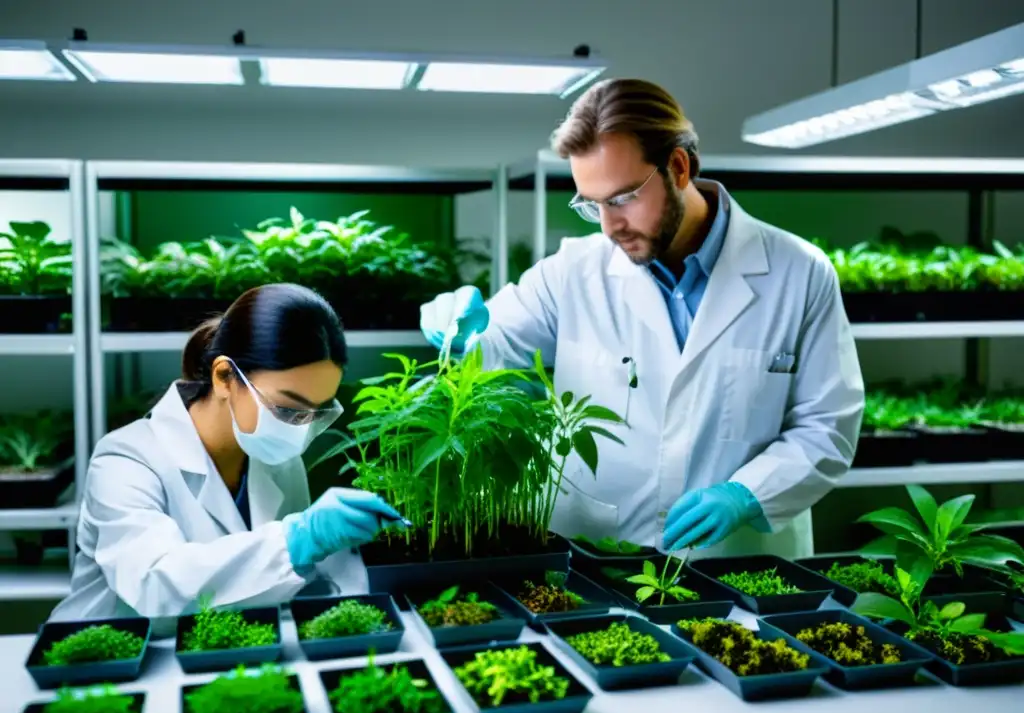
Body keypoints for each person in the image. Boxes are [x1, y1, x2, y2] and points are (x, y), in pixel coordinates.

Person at [420, 78, 864, 560]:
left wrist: (747, 494)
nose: (610, 226)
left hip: (736, 558)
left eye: (622, 198)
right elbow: (494, 352)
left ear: (678, 167)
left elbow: (828, 426)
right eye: (591, 204)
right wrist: (462, 333)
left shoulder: (798, 273)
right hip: (599, 553)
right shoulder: (570, 272)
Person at [50, 283, 403, 624]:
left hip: (219, 653)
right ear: (223, 377)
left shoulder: (278, 459)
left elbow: (281, 582)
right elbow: (154, 585)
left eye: (315, 412)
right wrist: (299, 540)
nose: (301, 427)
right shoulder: (125, 460)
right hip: (105, 661)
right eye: (288, 409)